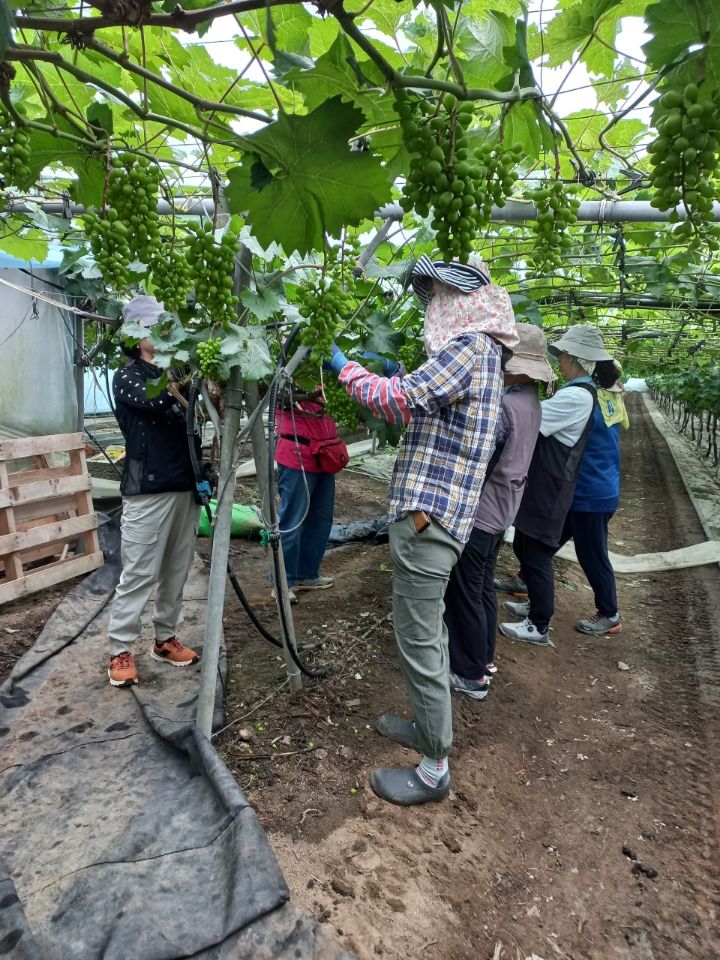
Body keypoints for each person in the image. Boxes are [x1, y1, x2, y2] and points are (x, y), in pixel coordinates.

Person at [327, 254, 518, 805]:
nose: (432, 304)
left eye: (437, 295)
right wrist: (383, 373)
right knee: (427, 633)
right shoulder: (484, 357)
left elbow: (397, 400)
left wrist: (343, 365)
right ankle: (429, 729)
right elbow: (421, 403)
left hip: (427, 520)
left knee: (419, 641)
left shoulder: (469, 350)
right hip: (437, 519)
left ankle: (434, 769)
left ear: (461, 301)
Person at [443, 323, 554, 699]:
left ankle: (470, 674)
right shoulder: (531, 402)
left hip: (483, 510)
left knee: (465, 591)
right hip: (504, 510)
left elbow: (483, 460)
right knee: (482, 587)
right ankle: (484, 659)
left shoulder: (506, 405)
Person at [498, 324, 620, 646]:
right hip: (556, 486)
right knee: (531, 546)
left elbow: (532, 419)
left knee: (544, 551)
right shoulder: (579, 392)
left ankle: (540, 624)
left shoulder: (577, 396)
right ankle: (535, 600)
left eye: (563, 357)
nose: (560, 362)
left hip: (562, 489)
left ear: (575, 359)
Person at [107, 296, 201, 687]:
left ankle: (164, 639)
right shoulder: (128, 376)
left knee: (177, 570)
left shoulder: (173, 370)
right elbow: (159, 399)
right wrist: (192, 376)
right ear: (134, 334)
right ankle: (120, 648)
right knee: (140, 572)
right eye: (151, 327)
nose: (160, 333)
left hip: (184, 484)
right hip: (147, 490)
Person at [273, 388, 341, 604]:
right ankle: (282, 582)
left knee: (321, 520)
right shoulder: (288, 373)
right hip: (297, 455)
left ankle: (306, 574)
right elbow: (277, 394)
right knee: (293, 520)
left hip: (324, 455)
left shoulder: (324, 375)